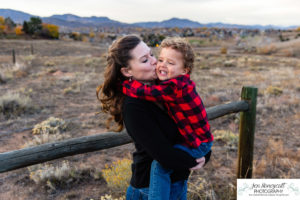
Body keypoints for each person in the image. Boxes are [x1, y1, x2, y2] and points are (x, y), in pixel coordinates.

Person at [97, 35, 211, 200]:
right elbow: (164, 155)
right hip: (149, 189)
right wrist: (195, 160)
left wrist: (205, 152)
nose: (154, 61)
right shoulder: (134, 106)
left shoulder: (166, 89)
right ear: (127, 71)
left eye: (151, 54)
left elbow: (191, 127)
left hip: (177, 183)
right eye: (144, 60)